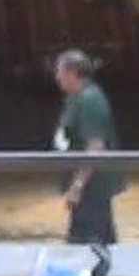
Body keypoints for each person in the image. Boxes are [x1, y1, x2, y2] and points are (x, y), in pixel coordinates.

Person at [53, 49, 121, 246]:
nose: (57, 77)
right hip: (84, 187)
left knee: (91, 243)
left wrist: (77, 186)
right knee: (91, 242)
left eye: (60, 71)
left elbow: (95, 146)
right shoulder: (75, 98)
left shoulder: (90, 100)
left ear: (72, 73)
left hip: (92, 187)